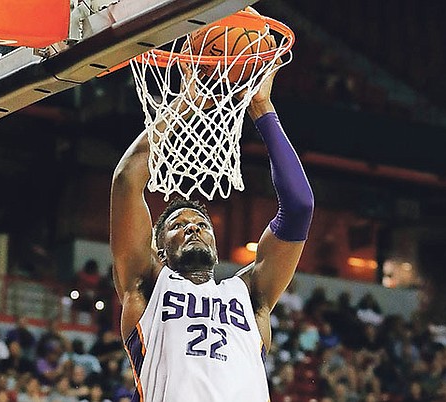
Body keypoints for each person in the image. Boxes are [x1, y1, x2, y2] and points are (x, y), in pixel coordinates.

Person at [109, 55, 315, 400]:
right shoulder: (146, 285)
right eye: (177, 225)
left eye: (201, 224)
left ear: (216, 246)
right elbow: (127, 179)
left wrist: (263, 110)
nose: (193, 228)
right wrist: (186, 102)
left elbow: (299, 208)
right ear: (159, 250)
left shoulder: (250, 295)